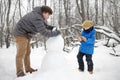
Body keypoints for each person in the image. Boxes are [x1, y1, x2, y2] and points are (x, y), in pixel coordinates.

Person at [13, 6, 61, 77]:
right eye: (48, 15)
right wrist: (57, 33)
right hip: (20, 34)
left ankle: (28, 68)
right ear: (44, 13)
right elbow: (44, 32)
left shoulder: (39, 16)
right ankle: (19, 72)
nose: (48, 17)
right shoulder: (37, 17)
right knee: (21, 53)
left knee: (27, 52)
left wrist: (51, 27)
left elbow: (44, 26)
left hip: (26, 34)